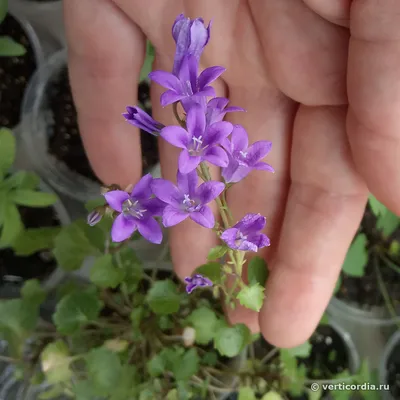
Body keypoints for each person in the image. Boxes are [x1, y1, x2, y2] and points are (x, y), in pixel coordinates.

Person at [63, 0, 400, 348]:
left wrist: (205, 163)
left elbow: (203, 171)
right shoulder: (192, 155)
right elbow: (191, 161)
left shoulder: (202, 155)